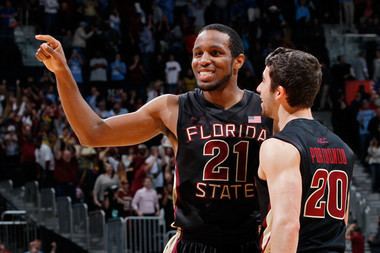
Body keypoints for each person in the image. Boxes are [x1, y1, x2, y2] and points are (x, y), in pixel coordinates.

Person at [35, 23, 272, 253]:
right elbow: (93, 133)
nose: (203, 60)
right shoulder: (172, 108)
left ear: (238, 61)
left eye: (215, 53)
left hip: (251, 242)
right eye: (197, 53)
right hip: (193, 243)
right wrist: (62, 72)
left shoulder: (264, 109)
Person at [256, 47, 355, 253]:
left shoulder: (279, 146)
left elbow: (288, 225)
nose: (258, 88)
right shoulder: (343, 148)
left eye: (264, 81)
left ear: (279, 92)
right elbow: (341, 221)